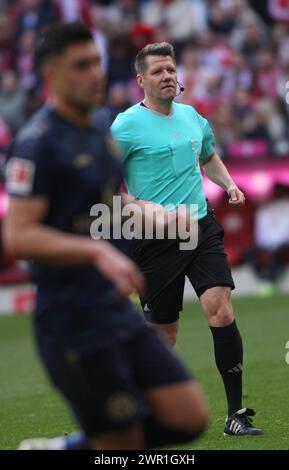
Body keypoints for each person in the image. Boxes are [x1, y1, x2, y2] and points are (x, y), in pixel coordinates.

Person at [4, 24, 207, 451]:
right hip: (71, 319)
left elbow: (107, 206)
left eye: (96, 62)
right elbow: (18, 235)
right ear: (51, 75)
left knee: (189, 417)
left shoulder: (100, 130)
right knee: (121, 444)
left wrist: (157, 216)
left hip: (116, 310)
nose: (95, 73)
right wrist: (96, 252)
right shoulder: (36, 144)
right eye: (81, 65)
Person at [111, 42, 262, 436]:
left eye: (171, 69)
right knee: (166, 334)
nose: (168, 76)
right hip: (155, 238)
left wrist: (228, 184)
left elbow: (208, 156)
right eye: (158, 71)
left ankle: (236, 415)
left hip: (200, 225)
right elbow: (104, 184)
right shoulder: (125, 126)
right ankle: (138, 409)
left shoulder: (193, 116)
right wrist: (137, 207)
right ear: (141, 80)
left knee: (221, 309)